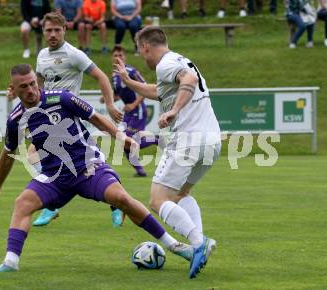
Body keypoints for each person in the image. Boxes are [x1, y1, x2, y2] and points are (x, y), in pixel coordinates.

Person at [0, 64, 195, 274]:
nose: (31, 90)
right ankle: (11, 261)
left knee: (121, 198)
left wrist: (121, 137)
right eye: (24, 86)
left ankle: (174, 246)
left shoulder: (61, 98)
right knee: (22, 203)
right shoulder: (15, 119)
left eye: (33, 83)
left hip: (88, 167)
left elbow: (95, 118)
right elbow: (7, 154)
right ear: (13, 89)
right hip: (55, 177)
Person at [113, 26, 220, 278]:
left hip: (188, 139)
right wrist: (130, 82)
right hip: (211, 140)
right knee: (181, 194)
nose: (142, 57)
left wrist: (174, 111)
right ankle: (198, 246)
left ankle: (199, 242)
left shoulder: (166, 64)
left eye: (140, 52)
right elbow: (160, 91)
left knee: (158, 200)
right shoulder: (180, 60)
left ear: (146, 46)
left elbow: (189, 82)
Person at [31, 12, 123, 227]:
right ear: (43, 31)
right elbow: (39, 84)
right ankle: (52, 206)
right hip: (48, 117)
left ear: (65, 30)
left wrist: (109, 104)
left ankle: (116, 203)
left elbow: (100, 76)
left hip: (69, 117)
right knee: (37, 155)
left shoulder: (74, 55)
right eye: (48, 30)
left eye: (56, 30)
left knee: (90, 162)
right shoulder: (42, 55)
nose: (52, 34)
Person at [110, 45, 158, 177]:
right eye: (115, 55)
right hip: (129, 113)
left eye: (120, 55)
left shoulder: (131, 71)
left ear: (125, 57)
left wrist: (133, 104)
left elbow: (146, 88)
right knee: (123, 141)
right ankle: (140, 172)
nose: (118, 58)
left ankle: (156, 139)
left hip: (138, 111)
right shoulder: (114, 76)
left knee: (131, 142)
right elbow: (117, 95)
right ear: (112, 58)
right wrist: (108, 99)